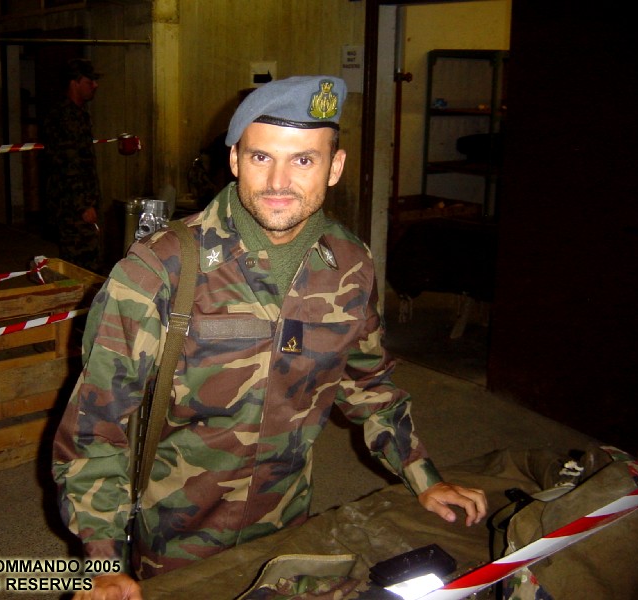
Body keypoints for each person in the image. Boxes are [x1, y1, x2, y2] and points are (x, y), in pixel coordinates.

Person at [53, 75, 487, 599]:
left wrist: (423, 475)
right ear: (235, 160)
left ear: (335, 166)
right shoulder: (160, 269)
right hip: (172, 541)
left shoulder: (350, 264)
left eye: (303, 159)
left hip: (287, 529)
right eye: (262, 157)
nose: (279, 181)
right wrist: (104, 560)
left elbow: (368, 383)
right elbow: (95, 425)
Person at [41, 58, 103, 274]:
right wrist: (83, 205)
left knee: (87, 261)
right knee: (80, 264)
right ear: (74, 83)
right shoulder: (63, 117)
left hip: (80, 204)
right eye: (89, 81)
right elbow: (68, 165)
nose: (95, 85)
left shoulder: (78, 115)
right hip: (72, 208)